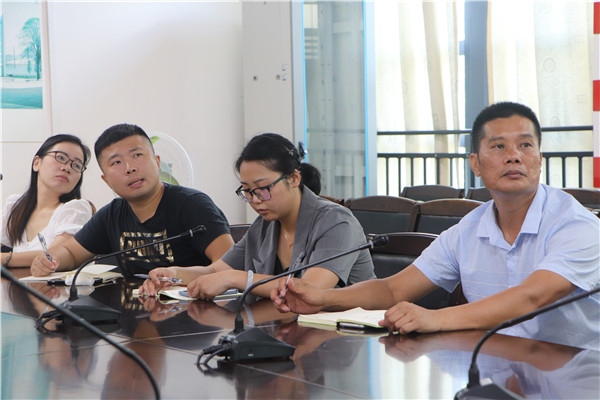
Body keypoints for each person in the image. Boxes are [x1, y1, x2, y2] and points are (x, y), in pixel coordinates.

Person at [272, 102, 600, 350]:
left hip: (577, 373)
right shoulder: (468, 230)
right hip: (495, 368)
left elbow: (532, 298)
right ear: (475, 163)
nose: (514, 156)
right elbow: (393, 290)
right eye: (499, 146)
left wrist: (435, 318)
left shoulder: (575, 225)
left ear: (540, 158)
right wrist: (323, 298)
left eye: (525, 145)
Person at [139, 133, 375, 300]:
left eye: (263, 188)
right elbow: (215, 272)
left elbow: (309, 290)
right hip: (288, 329)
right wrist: (173, 274)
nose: (255, 200)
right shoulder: (264, 226)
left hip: (351, 337)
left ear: (294, 178)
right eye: (247, 191)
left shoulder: (337, 221)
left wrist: (235, 278)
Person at [30, 123, 233, 276]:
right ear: (106, 180)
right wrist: (51, 260)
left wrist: (177, 276)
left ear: (157, 162)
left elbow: (230, 265)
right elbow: (71, 252)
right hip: (134, 313)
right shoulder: (112, 215)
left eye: (137, 155)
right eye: (116, 162)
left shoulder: (192, 205)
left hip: (193, 313)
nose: (130, 168)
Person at [2, 134, 93, 268]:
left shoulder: (76, 209)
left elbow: (52, 257)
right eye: (60, 158)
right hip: (15, 282)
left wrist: (4, 258)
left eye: (76, 165)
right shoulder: (15, 205)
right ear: (37, 163)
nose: (67, 168)